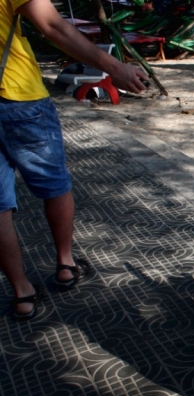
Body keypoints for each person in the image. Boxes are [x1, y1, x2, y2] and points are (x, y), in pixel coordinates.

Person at [1, 0, 149, 321]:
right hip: (18, 98)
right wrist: (115, 67)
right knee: (54, 185)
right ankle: (66, 265)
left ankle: (22, 293)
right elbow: (51, 25)